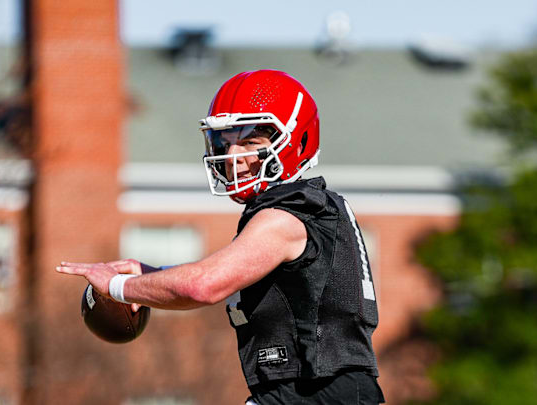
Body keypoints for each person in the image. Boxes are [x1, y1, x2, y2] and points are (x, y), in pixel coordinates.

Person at [56, 70, 385, 404]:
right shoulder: (303, 210)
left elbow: (204, 285)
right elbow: (225, 274)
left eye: (250, 143)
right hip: (314, 391)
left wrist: (116, 288)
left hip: (314, 392)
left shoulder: (287, 215)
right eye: (224, 143)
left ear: (297, 140)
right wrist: (150, 276)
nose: (232, 158)